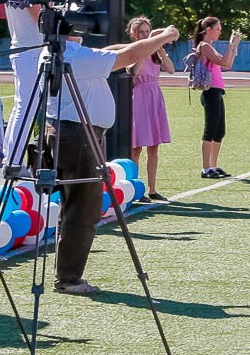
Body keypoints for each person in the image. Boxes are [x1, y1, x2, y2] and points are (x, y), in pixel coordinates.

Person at [44, 21, 183, 296]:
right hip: (80, 136)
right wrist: (165, 36)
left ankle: (67, 273)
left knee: (75, 206)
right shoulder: (76, 56)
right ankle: (69, 277)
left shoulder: (63, 53)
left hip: (76, 134)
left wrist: (148, 41)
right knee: (84, 208)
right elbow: (129, 55)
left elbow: (113, 51)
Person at [1, 0, 59, 163]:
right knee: (26, 106)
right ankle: (12, 161)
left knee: (22, 106)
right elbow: (39, 17)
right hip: (29, 49)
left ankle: (10, 159)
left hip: (24, 48)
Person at [125, 17, 174, 201]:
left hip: (155, 96)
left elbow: (170, 69)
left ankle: (153, 189)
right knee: (136, 148)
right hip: (139, 98)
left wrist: (159, 46)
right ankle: (135, 190)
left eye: (148, 32)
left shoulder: (155, 52)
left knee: (154, 147)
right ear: (134, 35)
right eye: (142, 32)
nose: (146, 35)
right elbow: (134, 72)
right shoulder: (131, 52)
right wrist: (143, 49)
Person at [191, 15, 241, 178]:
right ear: (208, 30)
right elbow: (224, 62)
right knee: (210, 131)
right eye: (218, 29)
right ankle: (206, 168)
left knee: (219, 132)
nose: (220, 32)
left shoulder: (209, 46)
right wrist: (230, 45)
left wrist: (234, 46)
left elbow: (228, 63)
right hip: (210, 92)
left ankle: (213, 166)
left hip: (217, 91)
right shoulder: (204, 46)